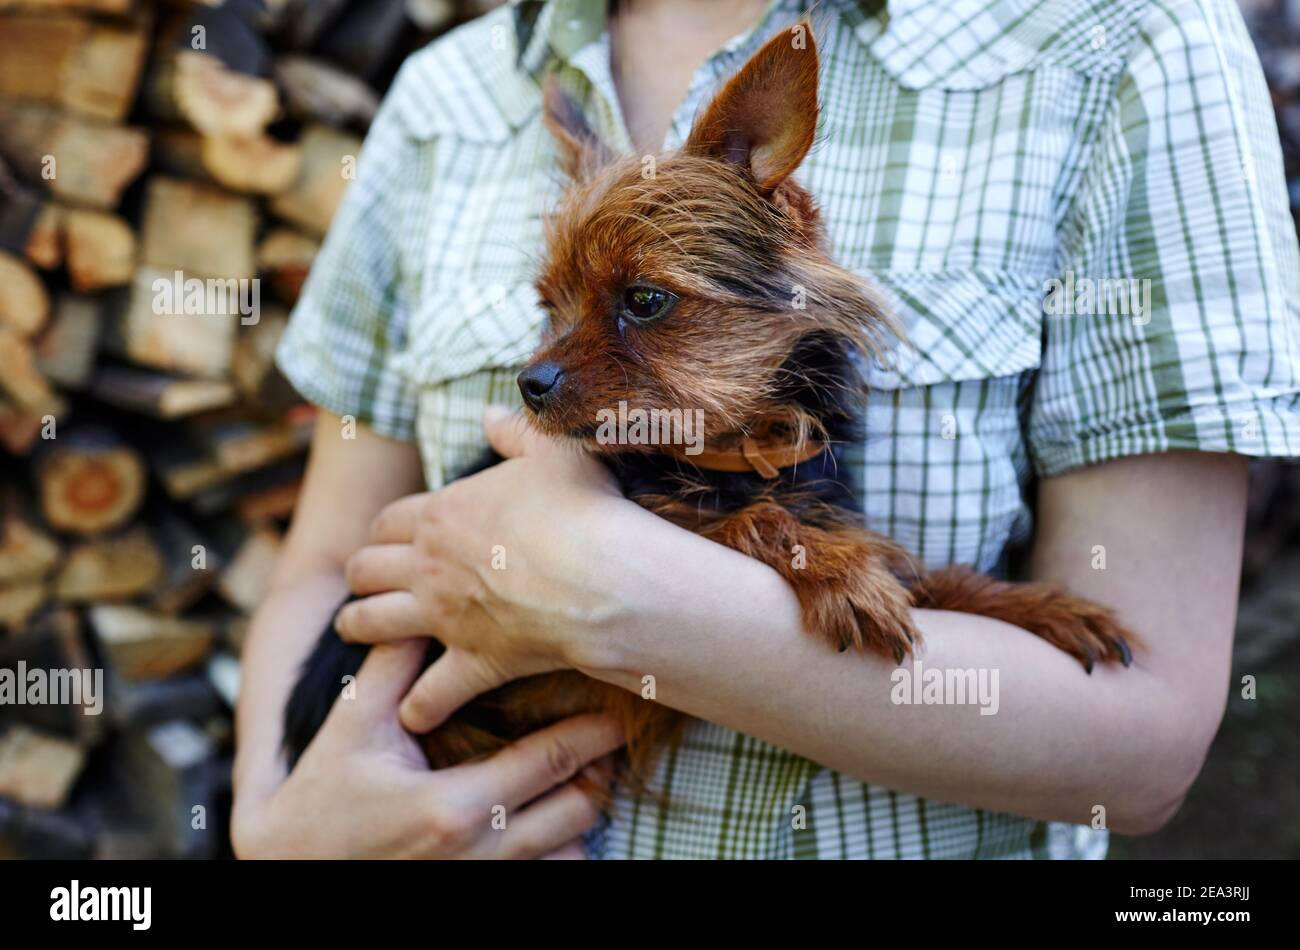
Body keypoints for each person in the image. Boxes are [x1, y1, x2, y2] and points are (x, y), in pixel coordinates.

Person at [232, 0, 1300, 859]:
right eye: (557, 308)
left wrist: (616, 593)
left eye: (645, 304)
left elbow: (1147, 749)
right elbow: (324, 554)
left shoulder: (1120, 40)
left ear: (786, 210)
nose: (546, 365)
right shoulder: (444, 98)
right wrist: (274, 829)